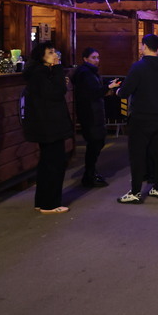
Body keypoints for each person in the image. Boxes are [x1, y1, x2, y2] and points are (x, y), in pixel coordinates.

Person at [115, 33, 158, 203]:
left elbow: (125, 92)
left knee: (137, 154)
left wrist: (117, 90)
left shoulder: (138, 67)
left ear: (144, 46)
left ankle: (135, 192)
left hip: (140, 117)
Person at [22, 41, 74, 214]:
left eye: (55, 51)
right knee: (54, 164)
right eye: (50, 52)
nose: (55, 55)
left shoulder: (39, 73)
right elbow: (57, 93)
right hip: (49, 127)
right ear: (41, 57)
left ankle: (42, 202)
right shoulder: (41, 74)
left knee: (47, 163)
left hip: (46, 126)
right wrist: (59, 71)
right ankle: (50, 204)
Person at [71, 47, 118, 188]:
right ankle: (89, 175)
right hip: (90, 114)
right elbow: (92, 93)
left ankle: (90, 172)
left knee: (97, 142)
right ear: (85, 59)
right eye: (93, 57)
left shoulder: (90, 72)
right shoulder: (85, 73)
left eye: (98, 57)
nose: (97, 60)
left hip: (94, 112)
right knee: (95, 143)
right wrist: (108, 87)